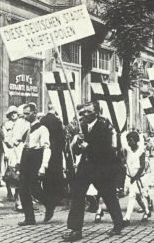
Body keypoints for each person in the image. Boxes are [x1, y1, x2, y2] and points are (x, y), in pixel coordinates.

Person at [62, 101, 124, 242]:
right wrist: (77, 143)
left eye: (88, 112)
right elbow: (77, 151)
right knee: (77, 194)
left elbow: (106, 151)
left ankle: (118, 223)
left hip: (101, 167)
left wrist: (87, 146)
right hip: (86, 166)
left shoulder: (104, 127)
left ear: (96, 113)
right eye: (83, 112)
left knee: (108, 195)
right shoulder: (82, 126)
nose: (84, 114)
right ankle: (75, 229)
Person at [18, 103, 51, 226]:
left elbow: (46, 148)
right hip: (25, 159)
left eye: (28, 113)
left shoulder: (42, 129)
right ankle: (29, 218)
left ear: (34, 112)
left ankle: (49, 203)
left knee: (35, 190)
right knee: (23, 189)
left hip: (35, 160)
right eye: (24, 113)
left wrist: (43, 166)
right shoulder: (28, 128)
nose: (25, 116)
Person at [40, 103, 65, 222]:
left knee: (47, 179)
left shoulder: (43, 120)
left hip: (44, 152)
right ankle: (55, 199)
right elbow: (61, 139)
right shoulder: (58, 121)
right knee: (56, 178)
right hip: (56, 153)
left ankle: (49, 200)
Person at [122, 131, 151, 226]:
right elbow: (123, 158)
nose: (129, 142)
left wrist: (135, 177)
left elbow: (142, 166)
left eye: (131, 140)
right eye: (128, 140)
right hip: (129, 176)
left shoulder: (140, 151)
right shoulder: (127, 150)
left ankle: (127, 217)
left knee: (132, 195)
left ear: (136, 140)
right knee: (138, 197)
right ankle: (146, 211)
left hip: (138, 177)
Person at [2, 106, 19, 204]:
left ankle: (17, 193)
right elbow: (4, 139)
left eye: (15, 113)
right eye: (11, 113)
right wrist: (6, 152)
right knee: (8, 172)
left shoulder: (21, 123)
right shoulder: (6, 124)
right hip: (10, 150)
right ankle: (9, 191)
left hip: (18, 150)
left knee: (18, 172)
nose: (13, 115)